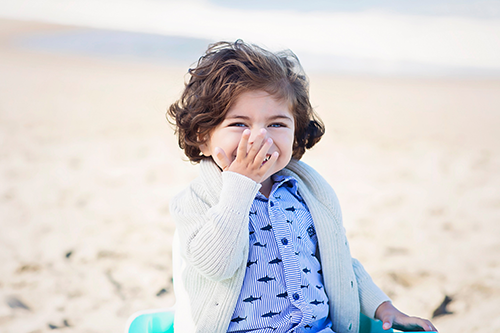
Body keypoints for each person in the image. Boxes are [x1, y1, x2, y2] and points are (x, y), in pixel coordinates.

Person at [167, 40, 437, 333]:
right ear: (203, 136)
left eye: (277, 125)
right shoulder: (195, 200)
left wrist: (384, 307)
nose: (260, 138)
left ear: (296, 136)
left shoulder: (307, 194)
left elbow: (338, 265)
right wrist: (240, 185)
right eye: (239, 125)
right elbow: (216, 265)